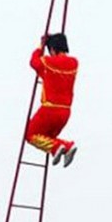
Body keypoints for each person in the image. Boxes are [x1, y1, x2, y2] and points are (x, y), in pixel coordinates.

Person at [26, 33, 78, 167]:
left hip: (50, 109)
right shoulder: (74, 63)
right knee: (48, 137)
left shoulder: (48, 61)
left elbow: (33, 62)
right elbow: (52, 77)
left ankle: (57, 148)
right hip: (65, 112)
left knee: (31, 134)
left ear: (52, 50)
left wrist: (41, 46)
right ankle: (66, 147)